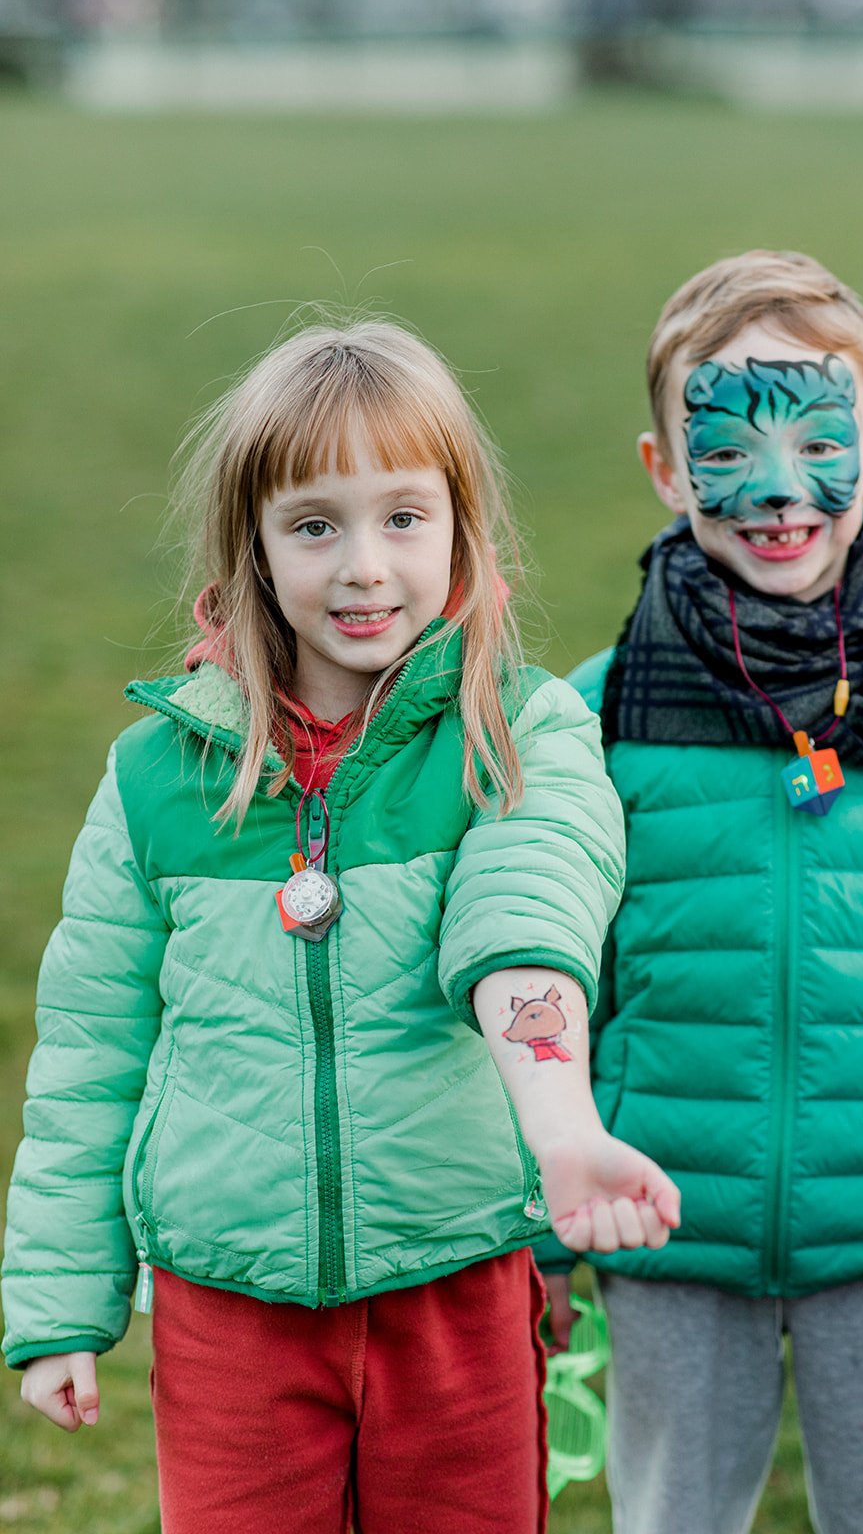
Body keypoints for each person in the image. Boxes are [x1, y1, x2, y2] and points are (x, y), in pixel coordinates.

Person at [1, 318, 681, 1534]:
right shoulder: (155, 778)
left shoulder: (517, 734)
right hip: (229, 1310)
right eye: (315, 525)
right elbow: (89, 1049)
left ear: (461, 529)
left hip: (456, 1281)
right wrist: (60, 1299)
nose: (365, 566)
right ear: (254, 546)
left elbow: (522, 923)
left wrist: (563, 1129)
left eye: (403, 517)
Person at [541, 250, 863, 1534]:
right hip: (663, 1229)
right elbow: (544, 982)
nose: (779, 492)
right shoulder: (598, 713)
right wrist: (544, 1228)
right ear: (663, 468)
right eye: (726, 449)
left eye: (819, 443)